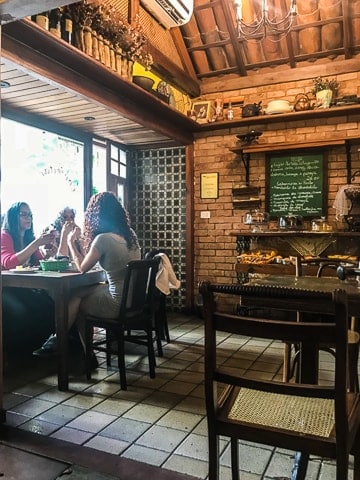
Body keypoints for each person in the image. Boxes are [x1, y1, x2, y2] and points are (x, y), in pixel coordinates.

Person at [33, 192, 141, 358]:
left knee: (79, 305)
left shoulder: (104, 239)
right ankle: (61, 342)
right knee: (77, 294)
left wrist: (70, 242)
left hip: (117, 303)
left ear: (95, 215)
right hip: (133, 301)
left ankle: (69, 346)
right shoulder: (130, 235)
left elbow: (82, 268)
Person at [1, 202, 57, 355]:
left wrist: (49, 255)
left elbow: (39, 262)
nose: (28, 218)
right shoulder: (5, 235)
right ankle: (15, 352)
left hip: (23, 287)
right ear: (13, 216)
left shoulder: (28, 237)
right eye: (23, 214)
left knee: (50, 306)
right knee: (20, 313)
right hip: (5, 288)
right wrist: (37, 243)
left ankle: (34, 347)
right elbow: (9, 262)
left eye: (30, 215)